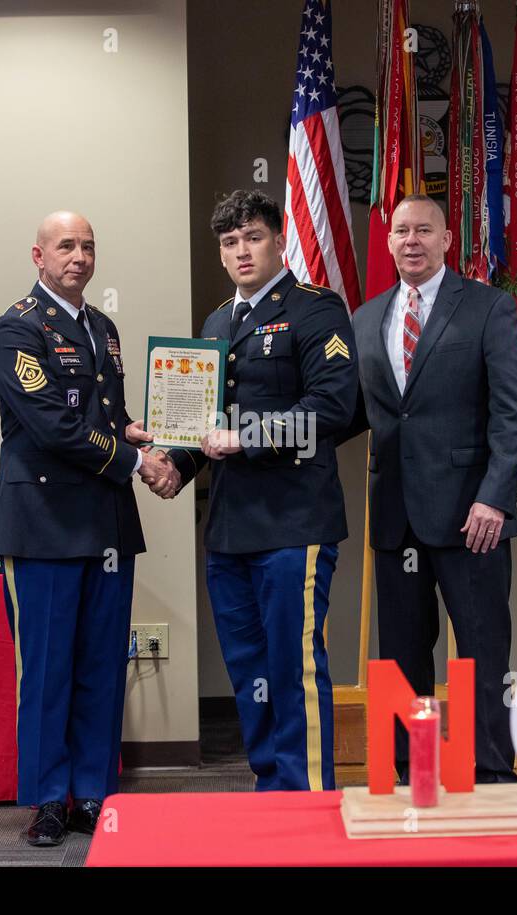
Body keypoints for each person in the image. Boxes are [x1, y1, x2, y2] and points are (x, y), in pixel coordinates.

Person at [155, 189, 358, 791]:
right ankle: (271, 784)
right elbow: (203, 420)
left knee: (291, 667)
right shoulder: (219, 321)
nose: (241, 251)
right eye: (229, 242)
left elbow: (332, 407)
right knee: (248, 668)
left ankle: (306, 795)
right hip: (230, 526)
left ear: (279, 240)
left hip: (294, 522)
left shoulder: (317, 310)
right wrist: (177, 463)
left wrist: (244, 437)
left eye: (253, 237)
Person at [0, 210, 178, 845]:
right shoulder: (16, 329)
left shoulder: (103, 328)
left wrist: (140, 434)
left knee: (101, 662)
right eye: (65, 246)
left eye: (88, 246)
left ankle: (94, 793)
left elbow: (105, 413)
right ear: (37, 256)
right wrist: (133, 459)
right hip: (42, 523)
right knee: (45, 670)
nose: (79, 256)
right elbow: (52, 426)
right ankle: (47, 800)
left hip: (106, 522)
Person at [346, 194, 517, 784]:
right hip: (396, 513)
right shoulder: (365, 317)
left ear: (448, 239)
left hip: (471, 515)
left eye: (424, 230)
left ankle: (492, 773)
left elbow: (513, 415)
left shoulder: (487, 308)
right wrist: (253, 430)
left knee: (481, 652)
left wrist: (495, 497)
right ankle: (410, 773)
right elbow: (349, 413)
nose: (411, 241)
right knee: (401, 657)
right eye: (401, 231)